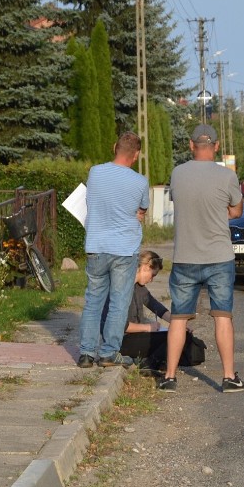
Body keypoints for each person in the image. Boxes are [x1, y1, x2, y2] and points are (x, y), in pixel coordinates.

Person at [159, 123, 244, 393]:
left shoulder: (178, 173)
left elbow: (180, 202)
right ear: (217, 146)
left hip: (185, 256)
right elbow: (236, 212)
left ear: (190, 144)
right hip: (219, 257)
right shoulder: (227, 177)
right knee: (222, 317)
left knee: (178, 318)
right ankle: (229, 377)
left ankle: (170, 377)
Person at [77, 131, 150, 368]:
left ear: (114, 146)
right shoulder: (140, 181)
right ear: (136, 155)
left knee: (93, 300)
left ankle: (86, 353)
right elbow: (141, 211)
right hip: (124, 250)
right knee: (119, 302)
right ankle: (109, 353)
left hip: (96, 246)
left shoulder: (95, 172)